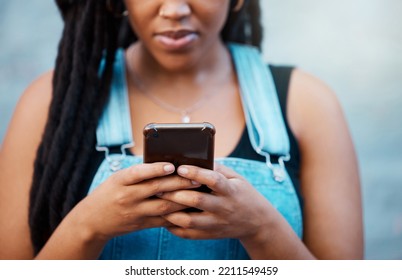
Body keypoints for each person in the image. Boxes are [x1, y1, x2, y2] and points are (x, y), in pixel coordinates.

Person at [0, 0, 363, 260]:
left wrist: (261, 228)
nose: (174, 9)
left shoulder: (308, 102)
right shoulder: (50, 101)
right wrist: (88, 226)